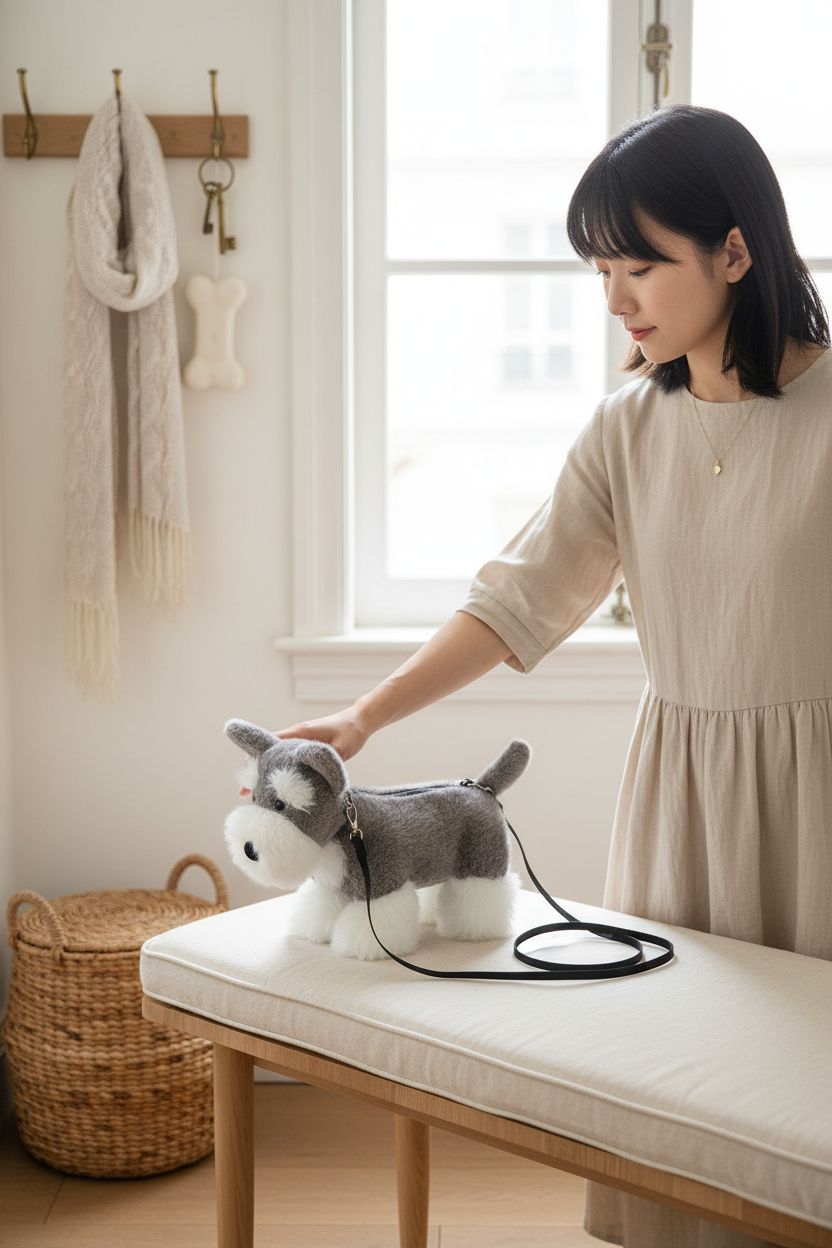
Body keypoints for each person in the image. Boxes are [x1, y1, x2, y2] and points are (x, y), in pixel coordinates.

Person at [274, 104, 831, 1247]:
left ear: (735, 252)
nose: (616, 300)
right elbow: (516, 599)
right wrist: (365, 715)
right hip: (680, 798)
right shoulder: (626, 427)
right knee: (684, 1085)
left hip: (818, 800)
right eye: (600, 269)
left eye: (640, 266)